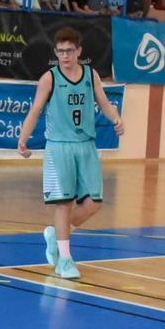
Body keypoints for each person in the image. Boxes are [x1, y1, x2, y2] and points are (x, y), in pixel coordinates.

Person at [15, 28, 126, 280]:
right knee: (63, 203)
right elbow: (34, 111)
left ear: (79, 51)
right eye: (60, 51)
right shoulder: (49, 78)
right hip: (59, 146)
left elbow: (105, 103)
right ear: (56, 53)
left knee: (93, 203)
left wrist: (116, 118)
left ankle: (57, 234)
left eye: (69, 51)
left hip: (86, 145)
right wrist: (23, 138)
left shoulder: (90, 75)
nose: (64, 56)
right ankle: (65, 259)